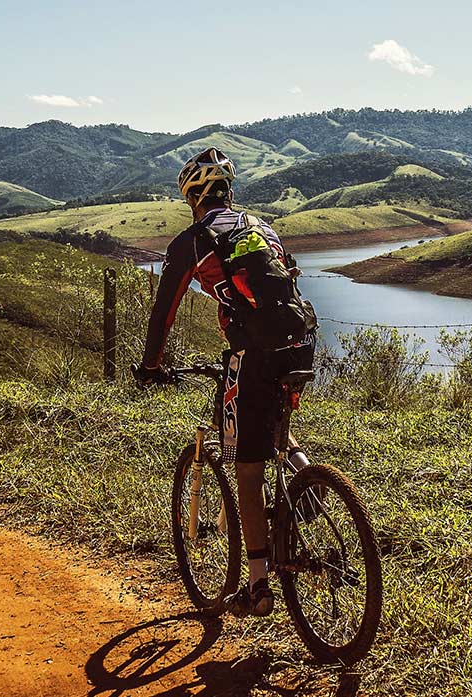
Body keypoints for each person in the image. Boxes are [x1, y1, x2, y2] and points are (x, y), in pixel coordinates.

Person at [136, 147, 317, 618]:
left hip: (252, 356)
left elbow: (163, 313)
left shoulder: (193, 241)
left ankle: (257, 586)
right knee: (274, 426)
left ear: (192, 198)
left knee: (248, 466)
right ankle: (311, 481)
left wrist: (151, 365)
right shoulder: (262, 227)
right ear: (228, 191)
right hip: (299, 343)